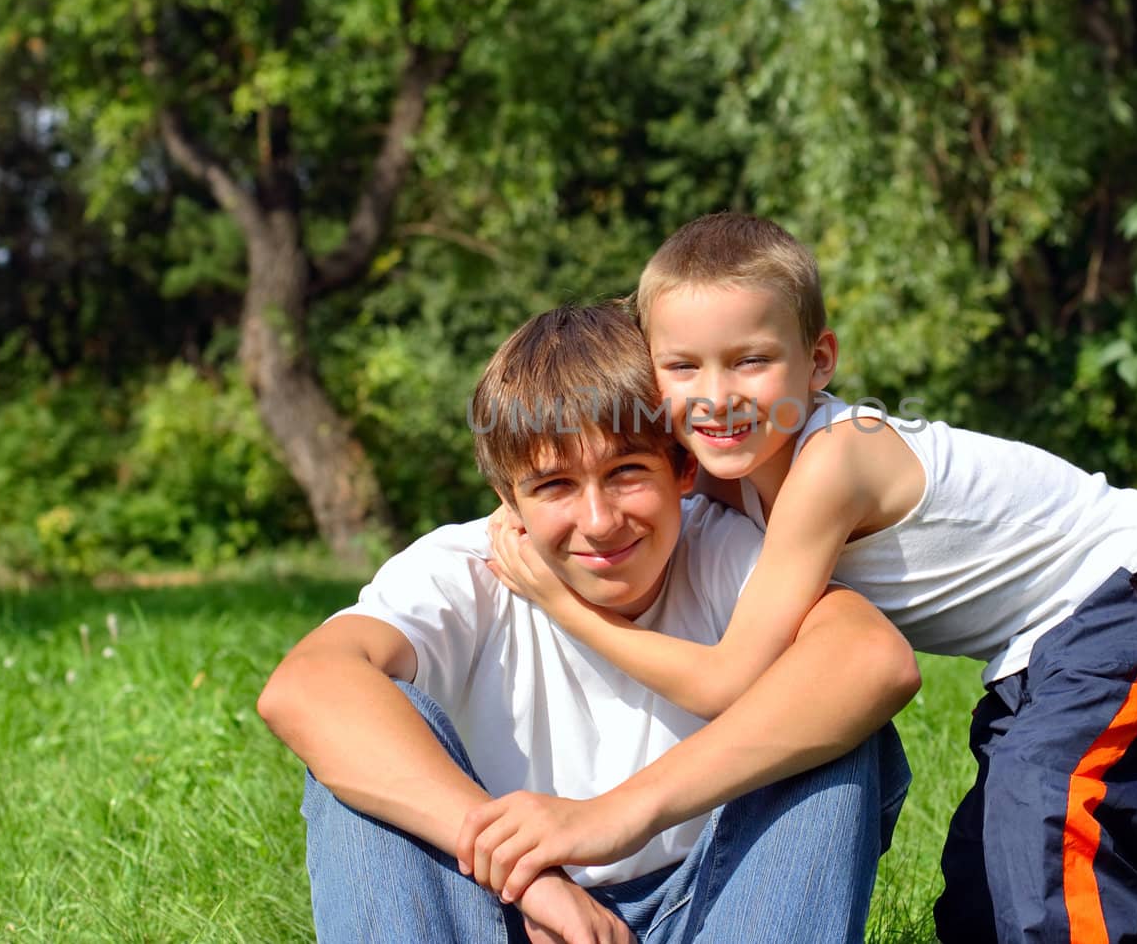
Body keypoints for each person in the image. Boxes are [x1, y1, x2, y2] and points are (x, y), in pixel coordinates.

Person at [477, 215, 1137, 943]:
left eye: (750, 360)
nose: (716, 396)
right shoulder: (736, 464)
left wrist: (561, 602)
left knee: (1043, 839)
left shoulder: (833, 460)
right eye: (682, 366)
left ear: (817, 360)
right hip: (1049, 647)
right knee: (987, 906)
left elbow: (729, 681)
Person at [256, 302, 919, 944]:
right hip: (504, 911)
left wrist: (617, 815)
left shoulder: (724, 550)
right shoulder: (463, 570)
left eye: (627, 472)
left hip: (713, 904)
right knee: (357, 750)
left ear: (683, 468)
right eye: (554, 486)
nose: (599, 520)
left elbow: (871, 659)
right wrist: (533, 879)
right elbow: (307, 685)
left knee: (830, 719)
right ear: (507, 498)